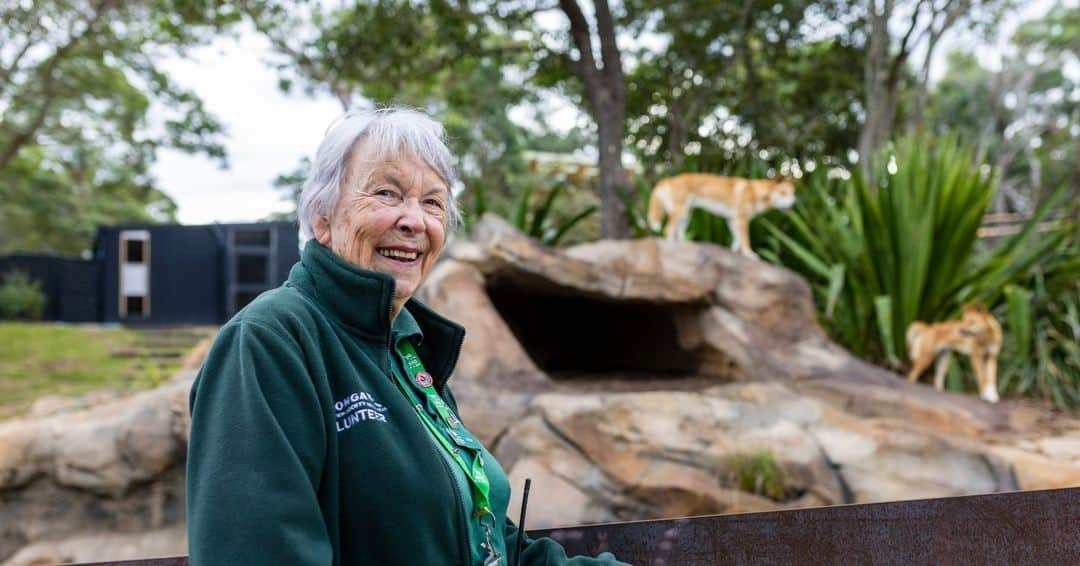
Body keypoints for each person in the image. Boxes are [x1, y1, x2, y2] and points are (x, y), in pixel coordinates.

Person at [186, 108, 629, 566]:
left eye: (433, 203)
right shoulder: (269, 341)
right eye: (386, 193)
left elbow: (486, 544)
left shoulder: (408, 350)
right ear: (322, 218)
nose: (414, 221)